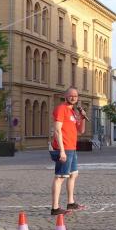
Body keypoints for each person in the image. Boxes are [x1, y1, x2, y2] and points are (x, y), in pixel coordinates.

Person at [49, 87, 87, 215]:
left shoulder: (73, 112)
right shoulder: (61, 108)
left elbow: (81, 131)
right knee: (60, 177)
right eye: (71, 95)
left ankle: (71, 203)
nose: (73, 97)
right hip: (64, 148)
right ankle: (55, 208)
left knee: (73, 174)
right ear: (65, 96)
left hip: (72, 148)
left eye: (75, 96)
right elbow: (57, 130)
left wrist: (82, 117)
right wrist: (61, 151)